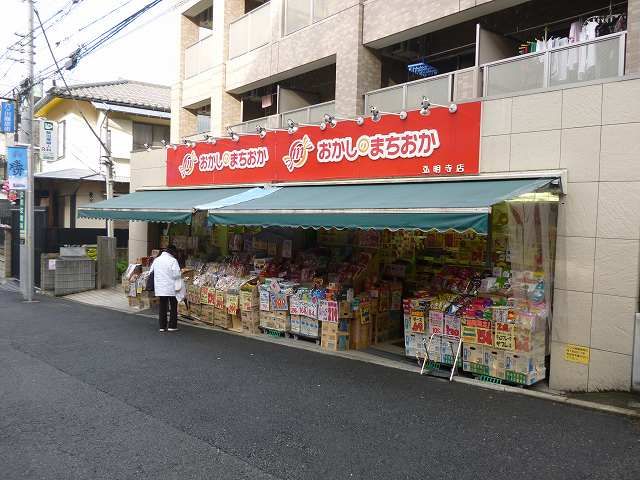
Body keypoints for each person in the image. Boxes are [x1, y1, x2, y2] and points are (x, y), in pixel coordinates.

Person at [150, 245, 182, 333]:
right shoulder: (173, 260)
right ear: (173, 252)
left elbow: (151, 272)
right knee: (173, 306)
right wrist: (179, 285)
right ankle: (172, 326)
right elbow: (177, 274)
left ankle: (162, 326)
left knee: (162, 306)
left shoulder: (156, 260)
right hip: (171, 287)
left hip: (160, 287)